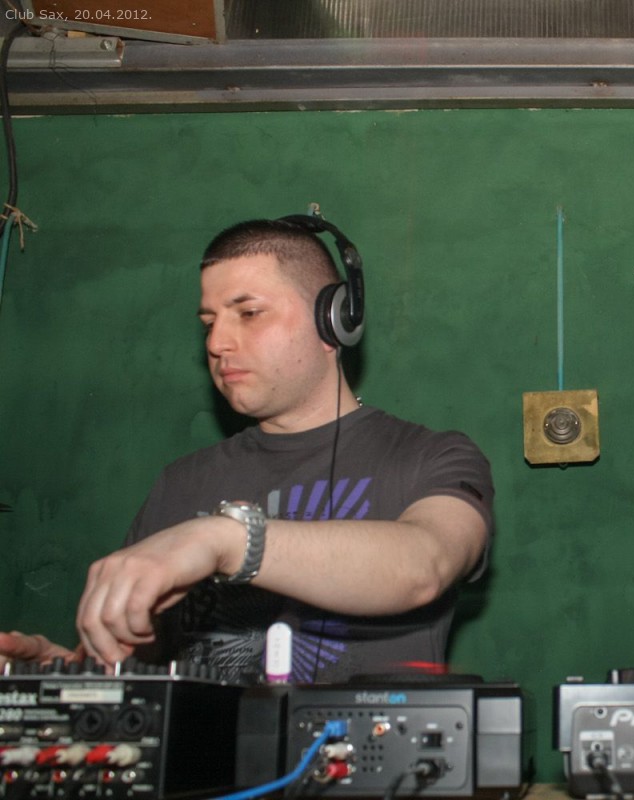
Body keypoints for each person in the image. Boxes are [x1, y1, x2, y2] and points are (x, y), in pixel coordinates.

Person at [0, 218, 493, 683]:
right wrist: (64, 675)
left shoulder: (432, 457)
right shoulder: (179, 483)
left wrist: (229, 540)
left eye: (249, 313)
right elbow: (134, 665)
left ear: (334, 321)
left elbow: (424, 565)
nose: (217, 342)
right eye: (208, 323)